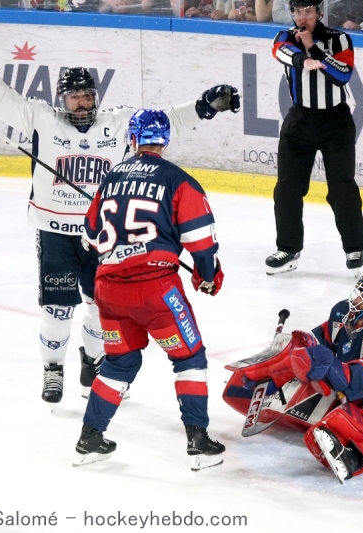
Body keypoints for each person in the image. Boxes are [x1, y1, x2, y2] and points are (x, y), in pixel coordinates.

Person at [0, 33, 240, 406]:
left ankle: (91, 362)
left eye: (87, 95)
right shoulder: (41, 118)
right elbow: (1, 100)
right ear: (62, 99)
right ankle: (53, 368)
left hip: (102, 235)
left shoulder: (117, 123)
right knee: (57, 309)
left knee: (98, 306)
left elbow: (167, 121)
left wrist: (205, 105)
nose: (82, 102)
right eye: (74, 96)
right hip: (54, 231)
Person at [73, 109, 226, 470]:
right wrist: (207, 275)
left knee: (121, 361)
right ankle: (198, 439)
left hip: (109, 291)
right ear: (164, 141)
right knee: (189, 358)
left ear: (133, 139)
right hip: (156, 291)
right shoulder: (180, 181)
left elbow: (90, 237)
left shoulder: (111, 178)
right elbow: (201, 243)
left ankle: (90, 438)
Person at [223, 271, 363, 483]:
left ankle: (353, 454)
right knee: (302, 375)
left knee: (347, 423)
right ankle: (333, 421)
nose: (357, 298)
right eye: (359, 292)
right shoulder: (344, 315)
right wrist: (275, 371)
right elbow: (312, 350)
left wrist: (332, 369)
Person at [266, 0, 363, 276]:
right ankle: (288, 248)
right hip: (300, 120)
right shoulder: (286, 36)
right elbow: (281, 52)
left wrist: (314, 49)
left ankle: (354, 248)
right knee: (287, 188)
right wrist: (304, 58)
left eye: (308, 12)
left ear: (319, 13)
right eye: (298, 12)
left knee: (342, 188)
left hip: (336, 123)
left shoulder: (339, 38)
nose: (302, 18)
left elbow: (342, 74)